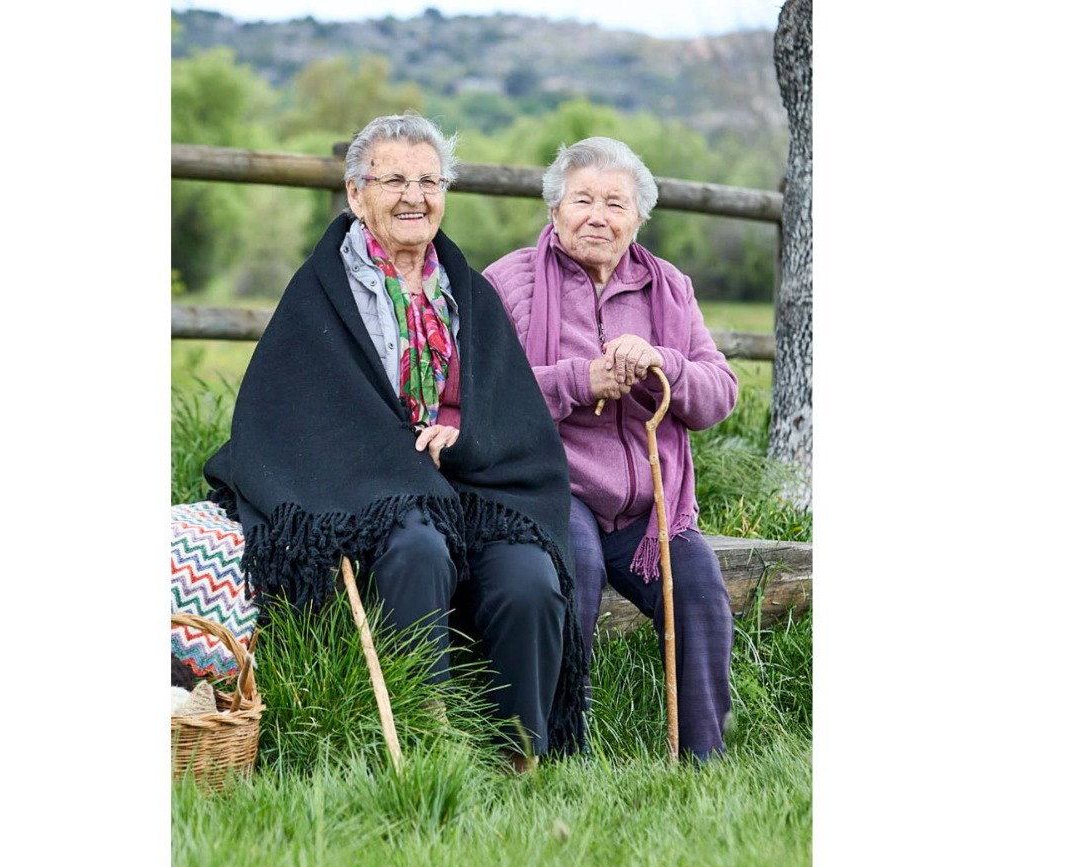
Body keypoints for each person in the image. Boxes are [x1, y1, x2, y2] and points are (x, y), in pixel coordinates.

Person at [203, 114, 587, 768]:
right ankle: (423, 739)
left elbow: (512, 415)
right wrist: (391, 458)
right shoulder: (322, 291)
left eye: (429, 181)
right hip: (369, 484)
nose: (415, 196)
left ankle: (519, 758)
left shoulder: (467, 290)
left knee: (528, 577)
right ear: (357, 194)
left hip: (472, 484)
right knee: (416, 549)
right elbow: (294, 411)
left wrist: (465, 438)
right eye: (395, 180)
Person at [484, 136, 738, 762]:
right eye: (583, 199)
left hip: (651, 507)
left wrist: (664, 366)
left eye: (615, 203)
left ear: (638, 219)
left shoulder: (668, 289)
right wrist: (580, 380)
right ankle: (558, 750)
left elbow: (719, 394)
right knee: (579, 568)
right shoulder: (508, 283)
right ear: (554, 210)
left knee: (702, 594)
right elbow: (487, 398)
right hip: (554, 486)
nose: (598, 215)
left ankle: (703, 763)